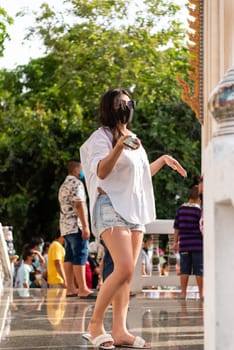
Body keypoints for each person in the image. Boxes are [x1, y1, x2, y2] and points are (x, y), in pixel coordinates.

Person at [80, 87, 187, 349]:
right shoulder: (101, 137)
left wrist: (161, 160)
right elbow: (102, 172)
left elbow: (137, 178)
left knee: (128, 276)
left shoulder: (135, 139)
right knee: (125, 267)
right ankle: (95, 325)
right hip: (110, 206)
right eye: (119, 103)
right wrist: (118, 146)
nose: (125, 107)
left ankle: (120, 330)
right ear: (109, 107)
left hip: (133, 209)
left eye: (129, 102)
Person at [58, 159, 94, 298]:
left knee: (69, 256)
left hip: (65, 227)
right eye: (82, 169)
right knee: (80, 254)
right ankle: (83, 288)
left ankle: (71, 287)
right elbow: (78, 204)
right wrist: (85, 226)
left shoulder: (63, 185)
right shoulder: (76, 183)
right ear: (76, 170)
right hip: (76, 225)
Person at [173, 185, 203, 299]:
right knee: (199, 270)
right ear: (199, 198)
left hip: (184, 244)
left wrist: (175, 242)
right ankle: (201, 294)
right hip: (197, 245)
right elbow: (202, 228)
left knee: (184, 269)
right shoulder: (199, 211)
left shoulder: (181, 209)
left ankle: (183, 293)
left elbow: (176, 227)